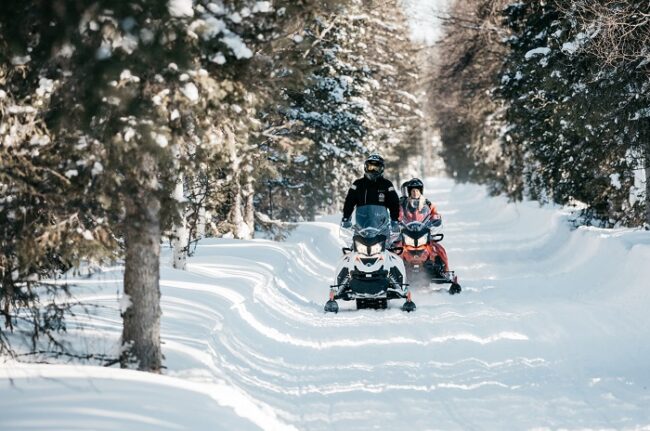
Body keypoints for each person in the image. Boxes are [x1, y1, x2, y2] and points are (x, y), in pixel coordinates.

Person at [399, 178, 450, 273]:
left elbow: (434, 213)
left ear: (421, 191)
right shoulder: (402, 203)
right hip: (406, 232)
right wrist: (397, 222)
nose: (415, 193)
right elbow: (398, 214)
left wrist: (435, 220)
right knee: (397, 249)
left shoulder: (427, 203)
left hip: (423, 232)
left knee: (438, 248)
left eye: (417, 190)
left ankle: (446, 272)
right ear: (409, 191)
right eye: (412, 190)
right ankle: (394, 271)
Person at [341, 154, 400, 233]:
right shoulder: (358, 184)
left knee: (392, 244)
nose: (373, 170)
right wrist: (346, 218)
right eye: (370, 167)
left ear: (381, 168)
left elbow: (394, 203)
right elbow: (349, 202)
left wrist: (395, 220)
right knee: (353, 244)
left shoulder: (386, 184)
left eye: (376, 168)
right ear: (366, 167)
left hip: (381, 228)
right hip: (361, 228)